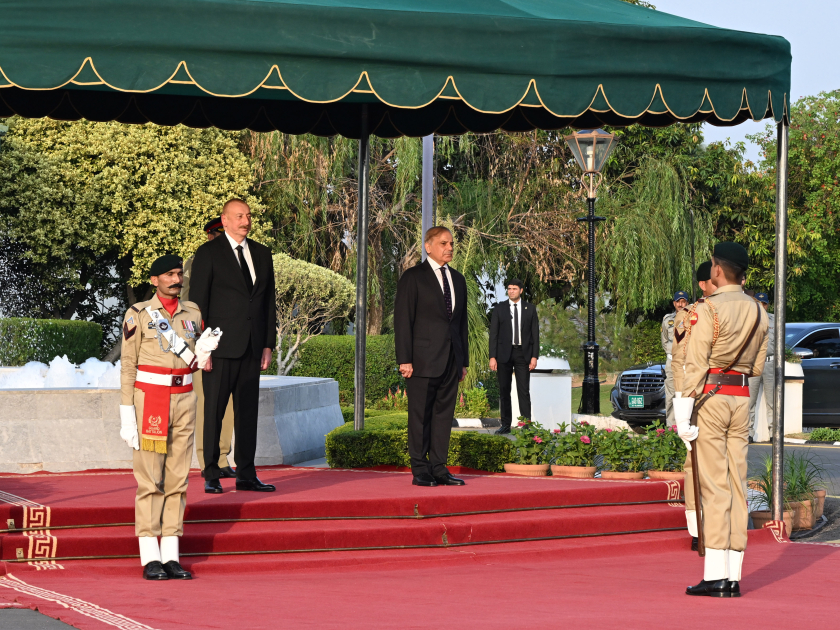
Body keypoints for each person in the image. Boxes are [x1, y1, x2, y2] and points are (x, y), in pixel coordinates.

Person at [675, 242, 768, 598]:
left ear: (717, 269)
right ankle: (733, 574)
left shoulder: (706, 309)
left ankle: (715, 574)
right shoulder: (759, 311)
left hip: (710, 397)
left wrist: (683, 416)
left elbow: (695, 365)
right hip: (741, 397)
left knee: (713, 486)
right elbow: (757, 366)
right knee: (735, 482)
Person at [119, 255, 220, 580]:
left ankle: (171, 556)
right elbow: (128, 366)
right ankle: (150, 556)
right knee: (150, 480)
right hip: (151, 401)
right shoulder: (137, 315)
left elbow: (194, 363)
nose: (176, 279)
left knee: (177, 478)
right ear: (154, 280)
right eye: (169, 275)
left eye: (178, 273)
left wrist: (203, 354)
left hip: (184, 399)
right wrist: (126, 413)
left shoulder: (193, 313)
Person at [189, 199, 277, 494]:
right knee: (213, 412)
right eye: (239, 216)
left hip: (252, 348)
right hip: (219, 349)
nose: (245, 220)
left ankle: (247, 475)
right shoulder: (208, 253)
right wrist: (203, 350)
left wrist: (267, 344)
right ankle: (211, 473)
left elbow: (267, 304)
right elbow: (198, 305)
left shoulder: (263, 254)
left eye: (248, 216)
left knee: (247, 414)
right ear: (224, 221)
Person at [394, 226, 469, 487]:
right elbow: (403, 321)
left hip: (451, 360)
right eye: (443, 243)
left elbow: (461, 324)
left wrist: (464, 361)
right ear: (428, 246)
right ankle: (420, 470)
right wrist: (404, 359)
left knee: (443, 417)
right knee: (420, 417)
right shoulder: (413, 277)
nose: (449, 248)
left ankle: (439, 468)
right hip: (421, 362)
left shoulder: (458, 279)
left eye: (451, 243)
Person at [182, 217, 236, 478]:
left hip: (233, 345)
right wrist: (199, 346)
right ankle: (208, 462)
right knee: (209, 404)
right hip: (205, 345)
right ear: (212, 237)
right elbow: (190, 308)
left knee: (228, 406)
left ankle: (223, 458)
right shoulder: (197, 263)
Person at [671, 260, 716, 552]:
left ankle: (724, 524)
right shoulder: (687, 316)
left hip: (726, 395)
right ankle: (698, 528)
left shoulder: (737, 308)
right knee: (695, 465)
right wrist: (683, 403)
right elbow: (680, 362)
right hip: (698, 396)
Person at [489, 279, 539, 434]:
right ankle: (505, 424)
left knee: (523, 390)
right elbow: (494, 335)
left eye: (514, 289)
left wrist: (534, 357)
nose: (511, 291)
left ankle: (526, 425)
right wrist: (492, 357)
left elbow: (535, 335)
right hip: (503, 354)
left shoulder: (530, 309)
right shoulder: (499, 309)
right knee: (504, 390)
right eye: (509, 289)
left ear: (521, 290)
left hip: (522, 354)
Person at [662, 290, 689, 426]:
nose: (680, 304)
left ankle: (687, 425)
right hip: (672, 361)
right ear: (674, 303)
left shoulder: (692, 318)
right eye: (678, 301)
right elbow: (665, 341)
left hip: (688, 362)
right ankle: (671, 427)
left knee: (687, 394)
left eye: (683, 301)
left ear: (687, 303)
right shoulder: (668, 319)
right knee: (671, 394)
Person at [751, 292, 775, 441]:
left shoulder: (774, 320)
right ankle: (748, 433)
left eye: (764, 303)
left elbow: (780, 342)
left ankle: (774, 433)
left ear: (767, 305)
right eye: (759, 303)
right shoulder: (748, 318)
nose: (762, 306)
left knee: (772, 401)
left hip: (769, 362)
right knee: (749, 401)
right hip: (753, 362)